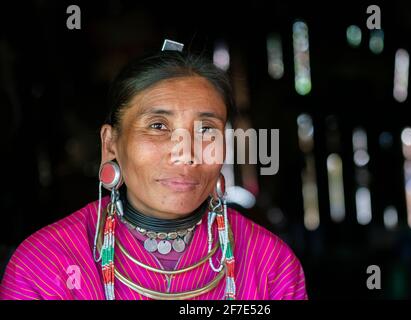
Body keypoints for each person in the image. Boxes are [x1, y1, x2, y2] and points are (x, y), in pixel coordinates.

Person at [0, 41, 308, 300]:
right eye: (158, 126)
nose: (186, 153)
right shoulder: (44, 265)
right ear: (111, 144)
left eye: (206, 130)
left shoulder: (270, 263)